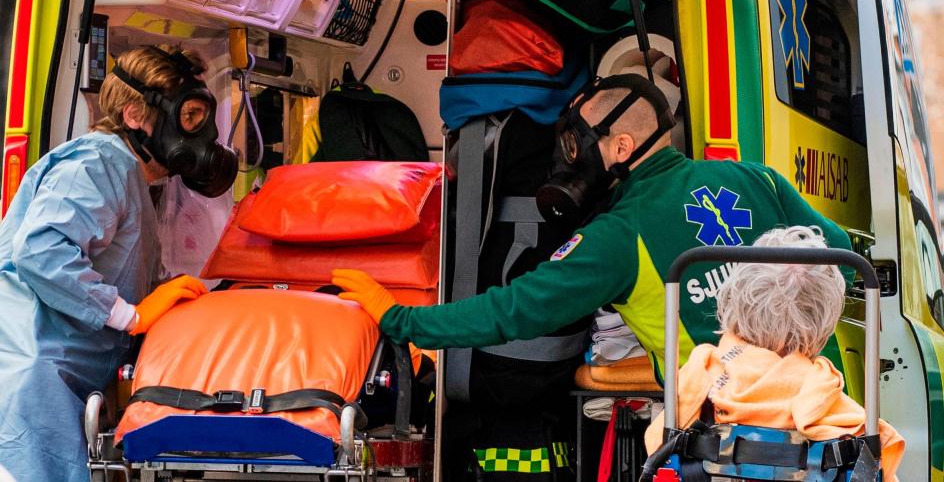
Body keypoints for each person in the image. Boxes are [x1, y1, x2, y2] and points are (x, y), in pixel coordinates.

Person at [332, 72, 852, 379]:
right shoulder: (753, 177)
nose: (572, 157)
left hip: (725, 440)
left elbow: (513, 311)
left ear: (622, 147)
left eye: (581, 142)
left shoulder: (617, 236)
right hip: (825, 419)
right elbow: (843, 257)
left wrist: (402, 319)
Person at [0, 45, 237, 482]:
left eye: (202, 117)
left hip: (57, 384)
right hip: (25, 383)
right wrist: (131, 316)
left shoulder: (132, 181)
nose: (201, 131)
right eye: (189, 116)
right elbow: (41, 251)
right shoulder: (97, 164)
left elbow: (118, 270)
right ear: (135, 115)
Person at [644, 226, 905, 480]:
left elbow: (656, 446)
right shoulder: (851, 424)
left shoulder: (697, 386)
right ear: (825, 322)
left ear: (734, 301)